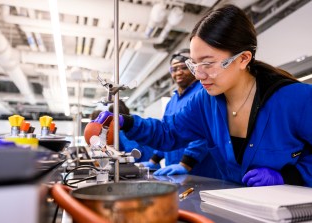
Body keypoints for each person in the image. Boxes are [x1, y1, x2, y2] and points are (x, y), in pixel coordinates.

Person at [93, 4, 312, 187]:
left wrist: (289, 176)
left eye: (207, 63)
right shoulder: (205, 102)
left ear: (243, 58)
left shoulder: (294, 99)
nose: (199, 74)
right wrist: (126, 122)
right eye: (195, 64)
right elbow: (168, 133)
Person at [141, 49, 221, 178]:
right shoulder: (172, 101)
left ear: (193, 68)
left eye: (184, 68)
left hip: (201, 170)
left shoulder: (203, 92)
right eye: (174, 69)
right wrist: (154, 160)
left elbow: (205, 132)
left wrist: (186, 164)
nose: (178, 72)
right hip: (174, 170)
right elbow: (168, 132)